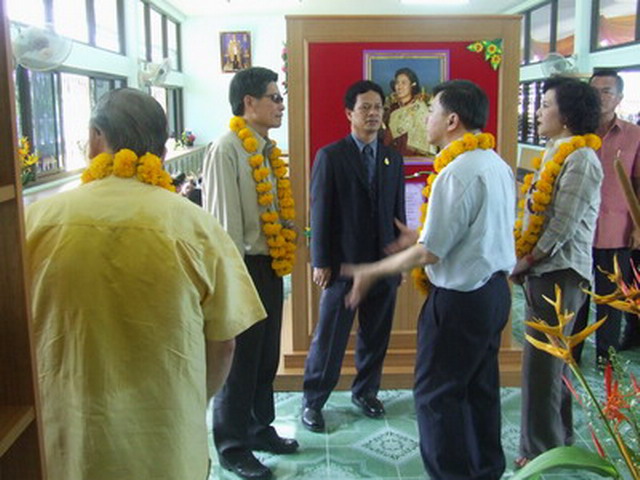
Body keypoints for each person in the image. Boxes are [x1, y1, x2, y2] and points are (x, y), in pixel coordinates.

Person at [25, 88, 266, 480]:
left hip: (68, 437)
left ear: (95, 139)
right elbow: (224, 345)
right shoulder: (195, 225)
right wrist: (193, 401)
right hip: (163, 440)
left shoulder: (36, 220)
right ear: (163, 151)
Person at [342, 79, 515, 480]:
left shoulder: (457, 172)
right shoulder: (496, 163)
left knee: (437, 395)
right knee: (480, 389)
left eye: (433, 111)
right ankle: (486, 470)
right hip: (493, 294)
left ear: (452, 120)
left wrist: (372, 270)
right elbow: (471, 231)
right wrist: (420, 235)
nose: (427, 119)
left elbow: (430, 253)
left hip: (460, 303)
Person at [202, 66, 298, 480]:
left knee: (265, 357)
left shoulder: (265, 150)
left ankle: (260, 429)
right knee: (240, 360)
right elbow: (224, 225)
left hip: (269, 265)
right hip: (242, 268)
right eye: (275, 97)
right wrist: (231, 283)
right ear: (249, 102)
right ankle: (232, 445)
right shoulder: (227, 149)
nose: (281, 105)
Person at [301, 80, 405, 433]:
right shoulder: (331, 156)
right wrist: (320, 260)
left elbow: (398, 213)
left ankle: (366, 392)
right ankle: (313, 400)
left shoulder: (392, 158)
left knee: (376, 335)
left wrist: (399, 261)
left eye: (378, 107)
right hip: (343, 265)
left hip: (382, 265)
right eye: (365, 107)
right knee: (330, 338)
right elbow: (320, 211)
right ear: (350, 113)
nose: (373, 113)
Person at [511, 76, 603, 467]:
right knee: (551, 363)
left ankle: (539, 451)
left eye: (546, 104)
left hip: (560, 272)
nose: (538, 111)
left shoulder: (581, 158)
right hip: (545, 271)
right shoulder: (555, 151)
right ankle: (557, 438)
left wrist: (527, 260)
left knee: (542, 366)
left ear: (567, 115)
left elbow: (562, 224)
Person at [571, 69, 640, 362]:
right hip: (576, 232)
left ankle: (606, 356)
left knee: (611, 299)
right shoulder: (574, 132)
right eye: (594, 91)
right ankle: (571, 352)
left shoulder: (634, 135)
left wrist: (638, 226)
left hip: (616, 230)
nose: (599, 97)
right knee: (575, 296)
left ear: (619, 98)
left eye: (606, 91)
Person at [383, 67, 437, 157]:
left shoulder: (420, 109)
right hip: (392, 156)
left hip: (415, 157)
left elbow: (426, 140)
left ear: (413, 85)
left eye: (403, 83)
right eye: (397, 83)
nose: (399, 87)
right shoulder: (392, 109)